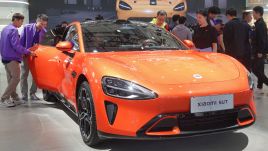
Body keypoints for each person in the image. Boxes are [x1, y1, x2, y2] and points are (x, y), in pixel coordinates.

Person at [0, 13, 35, 107]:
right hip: (12, 58)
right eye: (21, 21)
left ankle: (15, 98)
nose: (21, 24)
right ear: (16, 20)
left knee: (11, 79)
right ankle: (4, 98)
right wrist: (28, 52)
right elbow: (16, 45)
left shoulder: (5, 29)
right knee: (16, 78)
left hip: (5, 58)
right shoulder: (13, 30)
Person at [20, 14, 48, 101]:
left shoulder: (44, 31)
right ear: (37, 21)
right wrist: (22, 52)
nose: (43, 26)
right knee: (24, 74)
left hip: (36, 56)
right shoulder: (27, 28)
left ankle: (32, 93)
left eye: (45, 25)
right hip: (26, 54)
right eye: (41, 24)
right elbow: (21, 41)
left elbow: (44, 44)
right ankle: (24, 94)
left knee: (35, 75)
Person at [251, 6, 268, 91]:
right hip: (259, 50)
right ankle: (260, 85)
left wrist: (260, 51)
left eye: (253, 13)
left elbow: (262, 39)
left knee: (254, 69)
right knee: (260, 69)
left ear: (257, 13)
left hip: (259, 51)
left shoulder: (260, 24)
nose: (252, 14)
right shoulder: (258, 23)